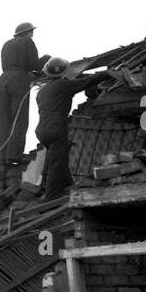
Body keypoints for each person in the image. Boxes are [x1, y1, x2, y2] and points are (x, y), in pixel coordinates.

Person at [35, 57, 100, 201]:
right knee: (56, 163)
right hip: (56, 128)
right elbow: (88, 82)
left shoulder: (42, 91)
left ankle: (68, 184)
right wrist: (109, 73)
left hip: (41, 130)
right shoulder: (63, 85)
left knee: (59, 157)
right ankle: (51, 198)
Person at [0, 22, 43, 167]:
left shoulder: (6, 44)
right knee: (19, 118)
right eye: (31, 32)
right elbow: (34, 65)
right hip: (19, 79)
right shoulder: (27, 41)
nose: (32, 34)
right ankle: (14, 155)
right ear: (27, 32)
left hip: (3, 79)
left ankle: (3, 157)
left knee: (5, 120)